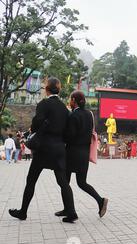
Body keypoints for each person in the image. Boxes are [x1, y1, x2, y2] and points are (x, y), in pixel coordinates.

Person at [9, 78, 78, 223]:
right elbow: (68, 131)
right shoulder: (65, 109)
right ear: (58, 89)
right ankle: (71, 212)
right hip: (59, 148)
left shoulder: (43, 104)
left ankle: (23, 212)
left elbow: (35, 125)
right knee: (63, 182)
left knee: (31, 180)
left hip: (44, 148)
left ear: (46, 89)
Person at [55, 91, 109, 219]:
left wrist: (61, 136)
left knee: (64, 181)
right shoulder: (89, 114)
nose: (69, 102)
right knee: (82, 182)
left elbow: (70, 136)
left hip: (72, 153)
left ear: (74, 100)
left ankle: (69, 210)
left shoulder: (74, 116)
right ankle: (100, 201)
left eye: (70, 99)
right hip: (84, 153)